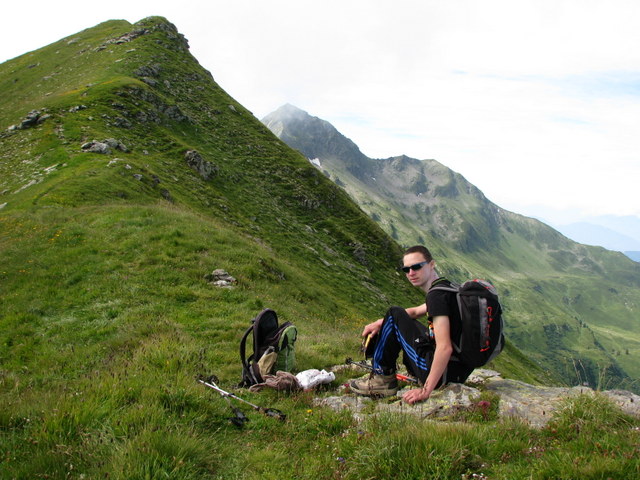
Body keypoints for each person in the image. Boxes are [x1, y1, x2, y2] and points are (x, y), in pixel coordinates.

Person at [349, 245, 474, 404]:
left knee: (394, 313)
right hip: (457, 371)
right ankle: (405, 372)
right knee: (397, 317)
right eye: (406, 269)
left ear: (432, 264)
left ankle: (382, 380)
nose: (411, 273)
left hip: (442, 375)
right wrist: (380, 323)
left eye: (416, 267)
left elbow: (445, 347)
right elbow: (415, 312)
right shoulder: (448, 288)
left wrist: (426, 390)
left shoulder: (436, 296)